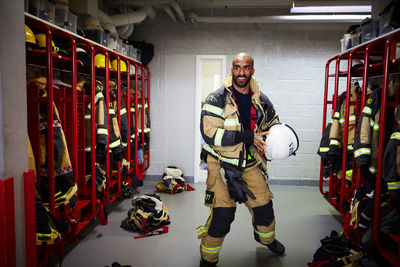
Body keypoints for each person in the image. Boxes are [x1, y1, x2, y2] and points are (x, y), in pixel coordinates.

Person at [197, 52, 285, 267]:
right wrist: (246, 137)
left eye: (246, 68)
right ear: (232, 70)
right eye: (237, 67)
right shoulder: (215, 99)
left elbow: (273, 123)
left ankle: (266, 239)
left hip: (250, 163)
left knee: (264, 207)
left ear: (252, 70)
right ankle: (208, 259)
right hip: (220, 165)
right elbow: (210, 134)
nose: (242, 72)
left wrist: (279, 139)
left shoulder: (261, 99)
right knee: (222, 216)